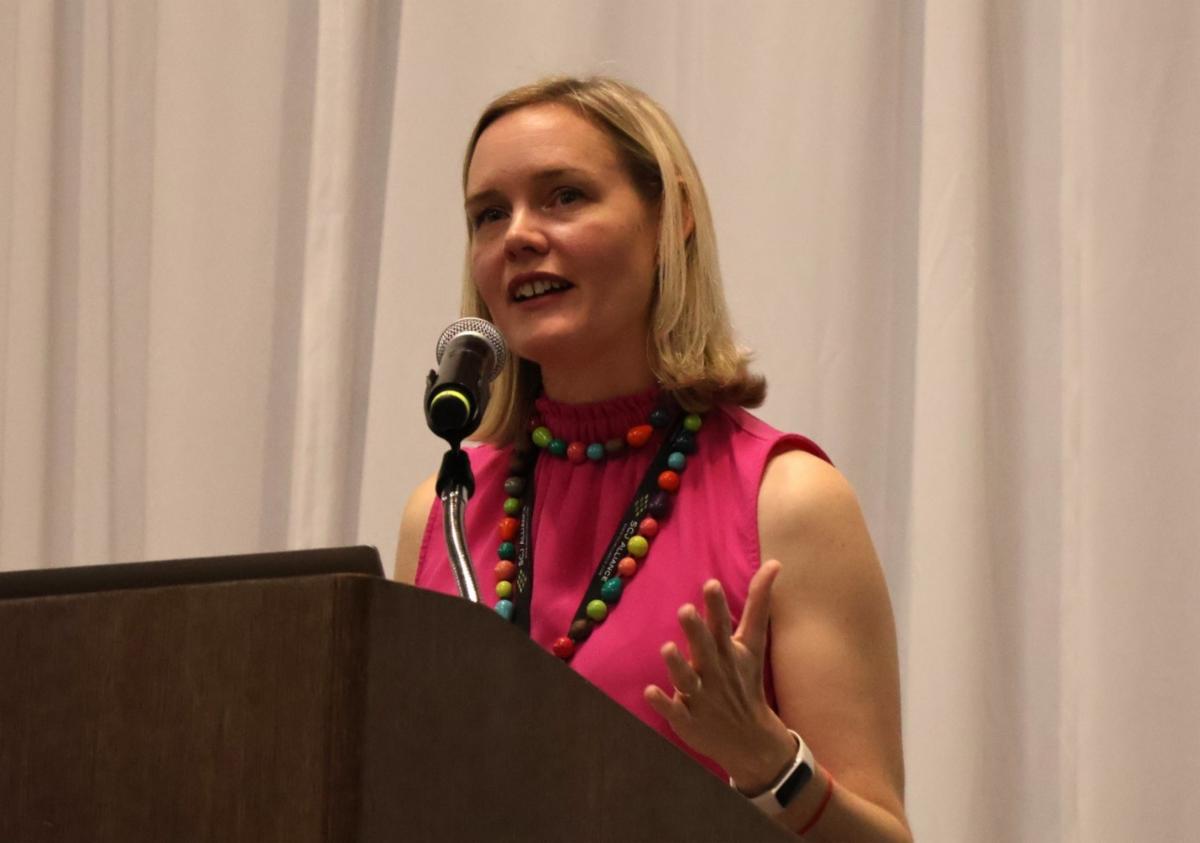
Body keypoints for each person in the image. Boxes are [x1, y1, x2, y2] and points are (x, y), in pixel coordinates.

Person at [395, 76, 911, 841]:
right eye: (489, 214)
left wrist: (771, 764)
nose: (518, 236)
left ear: (673, 220)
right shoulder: (442, 511)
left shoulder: (788, 499)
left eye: (564, 196)